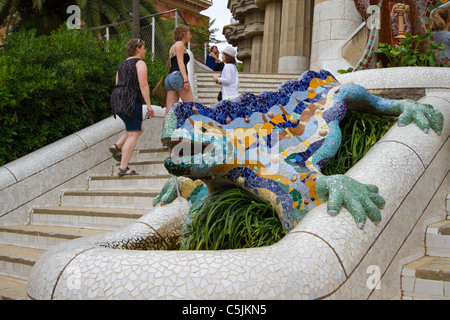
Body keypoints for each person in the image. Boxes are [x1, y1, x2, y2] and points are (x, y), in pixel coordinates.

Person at [110, 38, 154, 176]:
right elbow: (143, 85)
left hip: (117, 97)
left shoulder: (122, 64)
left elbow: (117, 82)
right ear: (138, 48)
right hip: (130, 99)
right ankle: (123, 168)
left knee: (137, 128)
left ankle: (117, 146)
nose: (145, 51)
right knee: (134, 132)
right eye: (144, 48)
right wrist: (149, 105)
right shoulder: (139, 63)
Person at [163, 24, 194, 125]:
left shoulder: (172, 47)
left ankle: (165, 136)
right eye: (189, 33)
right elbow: (180, 62)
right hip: (178, 76)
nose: (190, 36)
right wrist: (185, 79)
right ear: (183, 33)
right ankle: (194, 134)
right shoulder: (180, 44)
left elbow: (172, 63)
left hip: (170, 78)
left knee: (169, 110)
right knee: (191, 106)